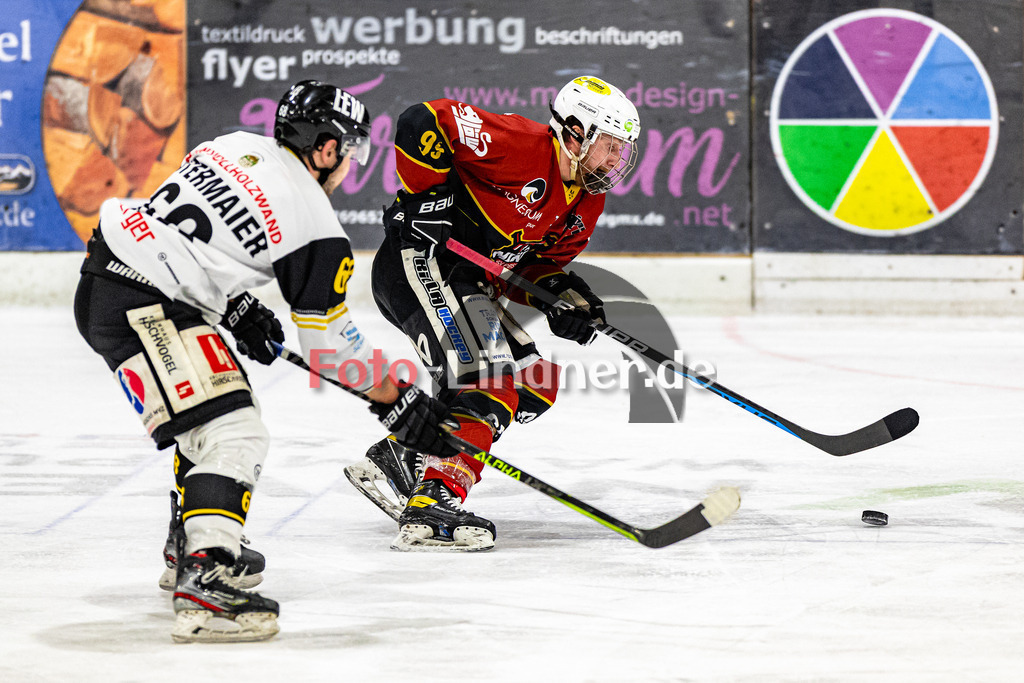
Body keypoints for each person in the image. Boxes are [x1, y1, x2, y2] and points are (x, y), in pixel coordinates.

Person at [73, 80, 453, 642]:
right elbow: (331, 347)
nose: (349, 165)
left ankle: (190, 543)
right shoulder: (315, 223)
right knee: (235, 432)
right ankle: (205, 577)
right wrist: (395, 400)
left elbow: (184, 232)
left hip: (111, 279)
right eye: (348, 151)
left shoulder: (229, 147)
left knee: (211, 414)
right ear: (326, 149)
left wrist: (232, 304)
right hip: (148, 304)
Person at [344, 75, 641, 552]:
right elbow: (422, 120)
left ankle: (406, 458)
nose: (614, 161)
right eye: (608, 146)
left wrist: (563, 298)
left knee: (534, 382)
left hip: (470, 285)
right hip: (419, 264)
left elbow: (531, 270)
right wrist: (424, 198)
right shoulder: (520, 144)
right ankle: (434, 499)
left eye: (620, 151)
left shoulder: (588, 198)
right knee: (487, 381)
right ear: (572, 134)